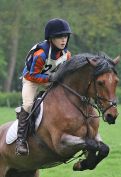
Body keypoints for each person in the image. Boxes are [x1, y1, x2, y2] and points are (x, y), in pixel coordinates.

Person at [15, 18, 72, 156]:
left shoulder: (67, 55)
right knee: (28, 105)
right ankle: (20, 141)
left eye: (65, 36)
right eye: (59, 37)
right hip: (31, 80)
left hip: (50, 81)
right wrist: (50, 78)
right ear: (51, 38)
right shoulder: (41, 54)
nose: (63, 40)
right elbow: (32, 75)